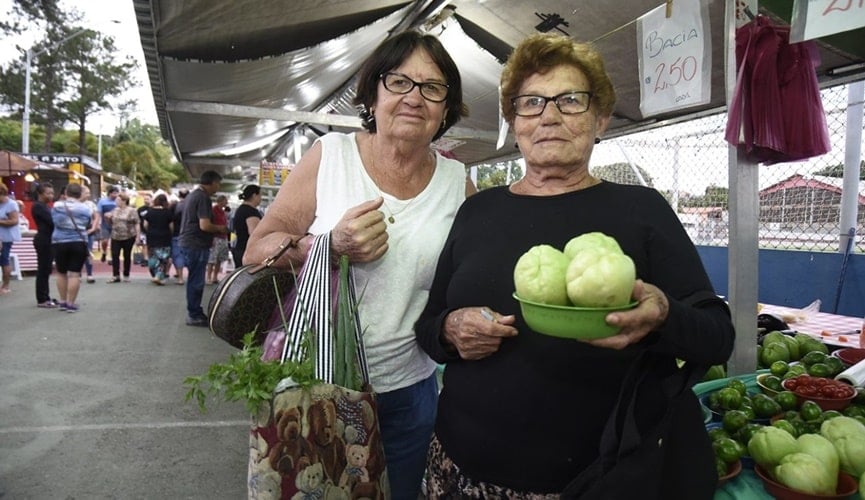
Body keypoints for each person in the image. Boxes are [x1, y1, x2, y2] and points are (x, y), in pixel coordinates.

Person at [414, 33, 736, 498]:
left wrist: (664, 314)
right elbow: (429, 326)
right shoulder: (477, 211)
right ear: (514, 122)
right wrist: (450, 329)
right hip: (462, 466)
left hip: (598, 480)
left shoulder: (642, 210)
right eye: (531, 103)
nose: (549, 115)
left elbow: (718, 335)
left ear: (600, 119)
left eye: (570, 100)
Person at [245, 30, 471, 499]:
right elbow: (258, 248)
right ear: (373, 93)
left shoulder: (457, 182)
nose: (415, 97)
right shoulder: (331, 156)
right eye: (399, 82)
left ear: (446, 107)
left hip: (411, 388)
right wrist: (327, 246)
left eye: (432, 87)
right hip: (320, 384)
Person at [179, 171, 227, 326]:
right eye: (218, 184)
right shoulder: (203, 198)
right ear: (212, 182)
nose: (218, 187)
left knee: (194, 278)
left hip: (189, 242)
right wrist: (220, 228)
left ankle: (194, 311)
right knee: (196, 280)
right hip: (196, 243)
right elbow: (205, 225)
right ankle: (194, 314)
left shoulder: (193, 195)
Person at [51, 183, 92, 312]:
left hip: (59, 241)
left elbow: (54, 221)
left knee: (61, 272)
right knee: (74, 274)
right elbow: (87, 224)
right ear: (80, 194)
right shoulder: (85, 208)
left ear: (66, 193)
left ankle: (62, 301)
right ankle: (71, 303)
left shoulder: (57, 206)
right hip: (78, 241)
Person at [31, 182, 58, 307]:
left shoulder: (45, 206)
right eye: (48, 193)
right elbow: (52, 222)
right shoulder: (38, 206)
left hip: (48, 239)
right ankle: (42, 299)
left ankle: (46, 296)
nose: (51, 196)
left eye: (52, 193)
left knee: (46, 269)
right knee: (43, 269)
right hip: (44, 240)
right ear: (40, 194)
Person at [106, 193, 140, 283]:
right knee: (115, 255)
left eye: (118, 200)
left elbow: (137, 223)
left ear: (124, 201)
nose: (116, 202)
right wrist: (108, 218)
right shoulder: (115, 210)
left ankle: (126, 274)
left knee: (127, 255)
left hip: (128, 236)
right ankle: (115, 275)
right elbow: (111, 222)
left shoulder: (131, 210)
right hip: (115, 236)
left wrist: (138, 236)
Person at [143, 193, 174, 285]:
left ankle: (155, 273)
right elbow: (171, 227)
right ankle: (159, 275)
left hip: (152, 236)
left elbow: (145, 225)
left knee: (153, 256)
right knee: (163, 258)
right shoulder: (168, 212)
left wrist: (150, 230)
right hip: (164, 237)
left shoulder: (150, 212)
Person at [231, 184, 263, 268]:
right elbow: (254, 233)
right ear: (254, 195)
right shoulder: (250, 211)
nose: (261, 198)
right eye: (260, 195)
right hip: (247, 250)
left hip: (239, 248)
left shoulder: (241, 209)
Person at [0, 183, 22, 295]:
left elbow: (14, 221)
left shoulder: (11, 204)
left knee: (4, 260)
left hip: (6, 237)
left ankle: (6, 285)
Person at [205, 194, 230, 285]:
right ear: (220, 201)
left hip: (223, 237)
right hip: (215, 237)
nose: (226, 203)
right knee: (212, 259)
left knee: (219, 258)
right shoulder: (213, 211)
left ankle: (215, 277)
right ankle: (208, 277)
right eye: (225, 201)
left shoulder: (222, 212)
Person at [80, 186, 100, 284]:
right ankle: (77, 273)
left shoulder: (91, 204)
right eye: (86, 193)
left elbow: (96, 216)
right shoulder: (74, 204)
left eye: (89, 193)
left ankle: (89, 274)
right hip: (77, 232)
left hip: (89, 231)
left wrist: (93, 228)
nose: (88, 195)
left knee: (88, 252)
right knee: (78, 253)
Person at [169, 188, 189, 285]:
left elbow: (170, 221)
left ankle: (180, 277)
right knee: (190, 255)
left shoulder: (174, 206)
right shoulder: (192, 206)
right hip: (189, 234)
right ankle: (191, 276)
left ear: (179, 195)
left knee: (178, 255)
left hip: (176, 234)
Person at [96, 186, 119, 263]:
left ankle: (112, 257)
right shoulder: (102, 201)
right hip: (105, 224)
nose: (116, 195)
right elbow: (98, 213)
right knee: (105, 241)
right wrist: (98, 223)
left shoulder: (118, 202)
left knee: (114, 242)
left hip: (115, 224)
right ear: (110, 193)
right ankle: (104, 252)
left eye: (117, 193)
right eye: (114, 193)